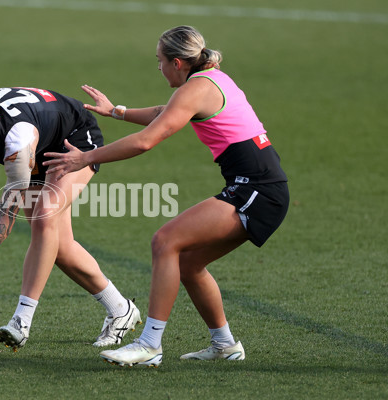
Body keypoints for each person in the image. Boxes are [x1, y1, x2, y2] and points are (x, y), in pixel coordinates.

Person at [44, 26, 289, 367]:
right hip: (260, 187)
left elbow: (146, 141)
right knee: (189, 264)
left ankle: (149, 345)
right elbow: (165, 112)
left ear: (177, 62)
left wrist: (85, 157)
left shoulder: (197, 88)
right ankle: (225, 344)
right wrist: (116, 111)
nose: (158, 68)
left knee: (165, 241)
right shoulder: (209, 79)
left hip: (257, 190)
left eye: (160, 61)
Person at [0, 87, 141, 351]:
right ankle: (121, 309)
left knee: (43, 219)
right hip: (39, 143)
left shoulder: (17, 143)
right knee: (57, 246)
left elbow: (3, 225)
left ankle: (22, 321)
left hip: (73, 136)